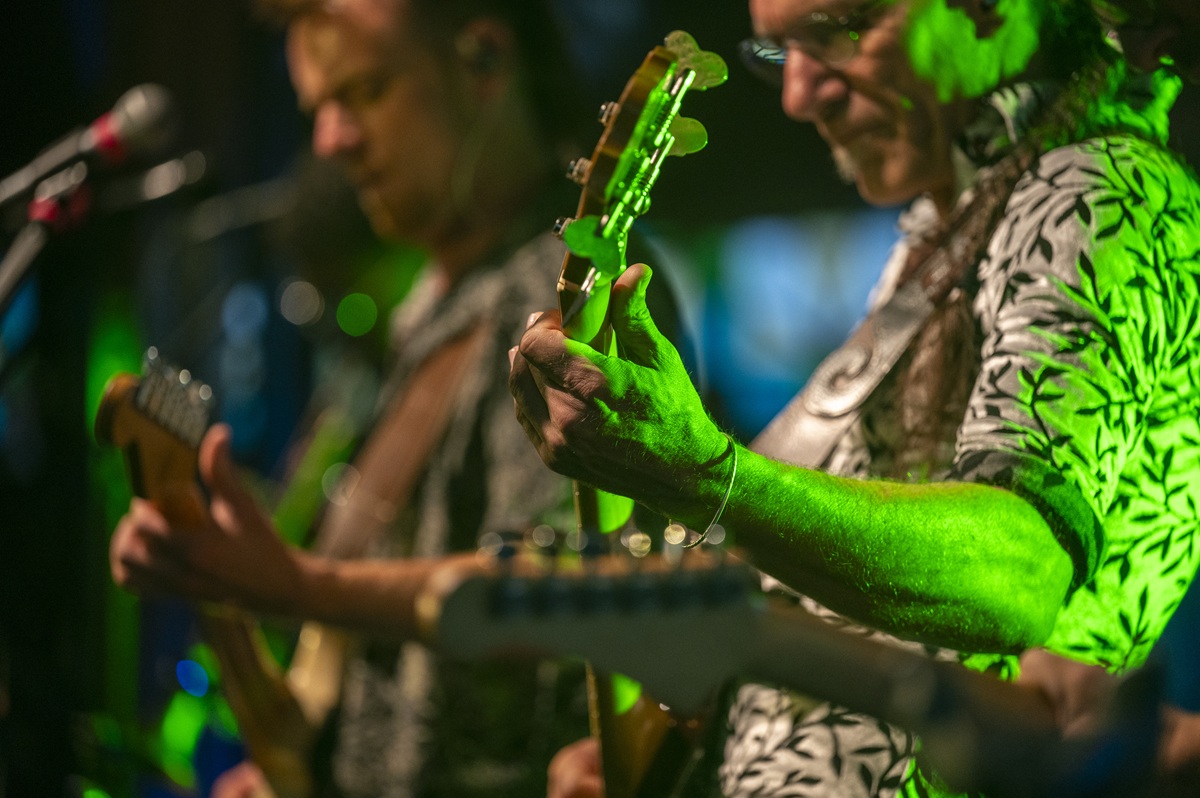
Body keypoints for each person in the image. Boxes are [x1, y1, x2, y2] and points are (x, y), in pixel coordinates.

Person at [510, 0, 1200, 796]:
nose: (800, 95)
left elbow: (1020, 574)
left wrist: (703, 474)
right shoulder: (954, 219)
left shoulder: (1094, 191)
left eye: (840, 29)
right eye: (778, 54)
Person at [109, 0, 597, 796]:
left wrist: (302, 586)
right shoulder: (434, 310)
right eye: (318, 110)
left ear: (484, 59)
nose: (330, 141)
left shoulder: (567, 300)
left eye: (365, 92)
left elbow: (571, 586)